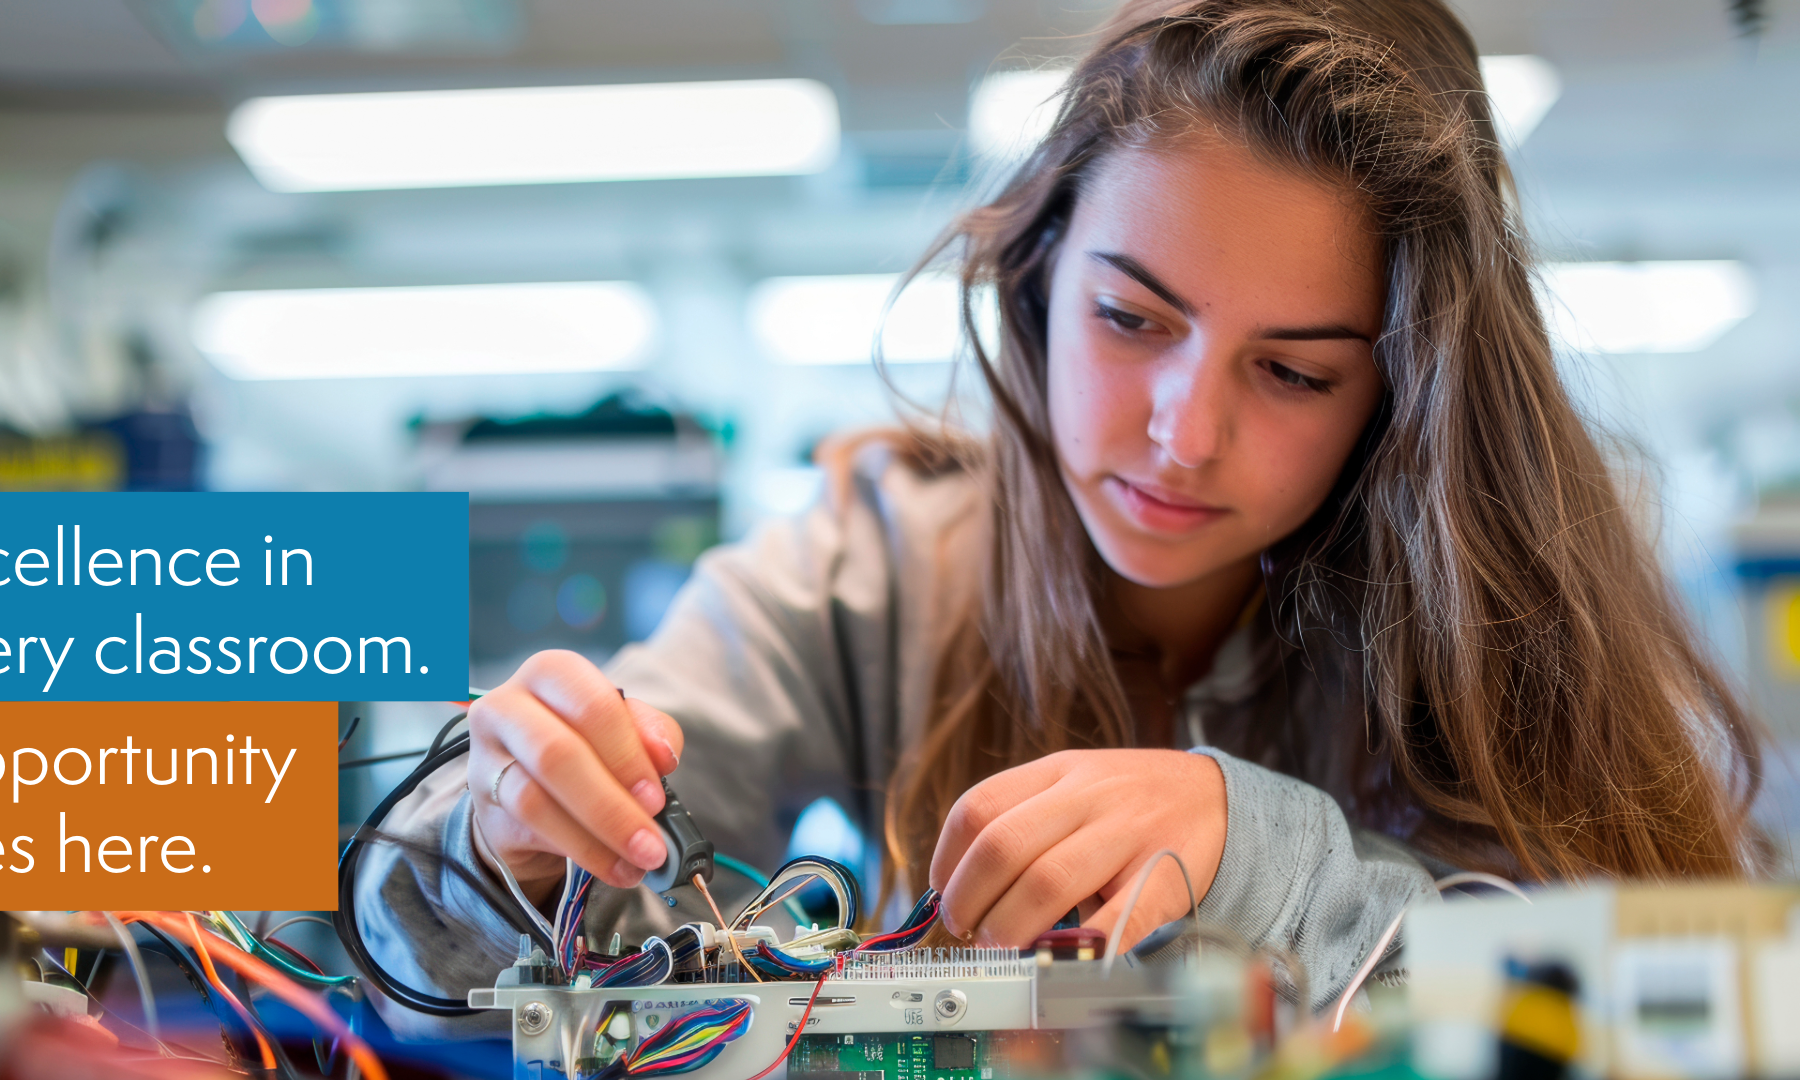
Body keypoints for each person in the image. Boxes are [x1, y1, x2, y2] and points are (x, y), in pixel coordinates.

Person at [359, 0, 1762, 1036]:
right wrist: (510, 832)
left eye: (1292, 371)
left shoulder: (1499, 608)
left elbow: (1684, 1019)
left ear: (1403, 391)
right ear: (1036, 282)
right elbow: (417, 945)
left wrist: (1251, 849)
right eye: (1129, 317)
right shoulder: (881, 559)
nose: (1181, 432)